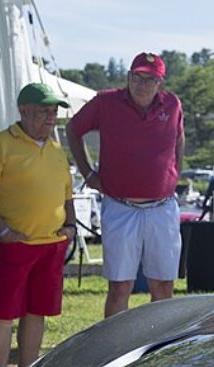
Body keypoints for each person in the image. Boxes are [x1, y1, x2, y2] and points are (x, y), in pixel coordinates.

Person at [67, 52, 185, 317]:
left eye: (149, 79)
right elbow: (73, 129)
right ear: (128, 77)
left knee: (164, 286)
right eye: (136, 76)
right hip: (120, 206)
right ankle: (115, 352)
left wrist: (175, 171)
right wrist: (88, 173)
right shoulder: (105, 102)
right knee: (120, 287)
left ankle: (158, 349)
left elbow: (179, 138)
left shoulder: (173, 105)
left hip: (162, 207)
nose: (141, 84)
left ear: (160, 83)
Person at [0, 83, 75, 367]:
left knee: (37, 313)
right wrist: (3, 231)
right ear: (24, 111)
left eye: (55, 111)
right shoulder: (1, 144)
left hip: (51, 246)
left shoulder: (55, 148)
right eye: (45, 111)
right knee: (3, 313)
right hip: (14, 245)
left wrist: (71, 225)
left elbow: (67, 194)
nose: (52, 117)